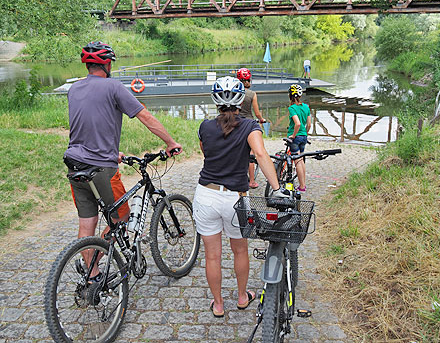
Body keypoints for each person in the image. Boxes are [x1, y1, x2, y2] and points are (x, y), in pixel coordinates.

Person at [64, 41, 182, 280]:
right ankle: (94, 266)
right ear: (107, 64)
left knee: (87, 223)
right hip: (101, 168)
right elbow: (146, 117)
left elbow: (87, 122)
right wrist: (171, 143)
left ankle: (90, 271)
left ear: (87, 64)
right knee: (122, 217)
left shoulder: (74, 89)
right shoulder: (114, 87)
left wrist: (110, 150)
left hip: (75, 164)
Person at [193, 76, 288, 317]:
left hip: (206, 195)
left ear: (216, 101)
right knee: (240, 251)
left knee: (212, 255)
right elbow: (261, 154)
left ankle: (218, 304)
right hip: (236, 198)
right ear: (240, 101)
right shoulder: (250, 127)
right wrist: (276, 188)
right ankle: (242, 297)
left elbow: (207, 152)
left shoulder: (204, 126)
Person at [236, 67, 266, 189]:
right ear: (248, 80)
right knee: (251, 154)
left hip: (236, 123)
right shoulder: (252, 94)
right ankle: (252, 181)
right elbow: (257, 112)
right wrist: (262, 119)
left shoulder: (235, 92)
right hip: (248, 123)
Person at [287, 84, 311, 192]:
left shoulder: (292, 108)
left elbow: (297, 123)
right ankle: (303, 184)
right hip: (304, 137)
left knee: (297, 161)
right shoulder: (306, 107)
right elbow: (309, 124)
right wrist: (305, 133)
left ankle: (301, 186)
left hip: (295, 138)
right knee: (301, 160)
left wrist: (293, 135)